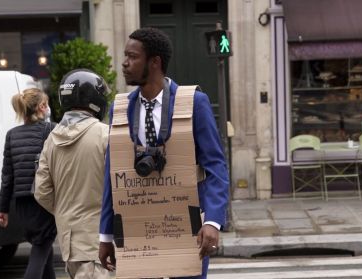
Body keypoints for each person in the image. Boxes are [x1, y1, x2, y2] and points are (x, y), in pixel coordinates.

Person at [99, 27, 229, 279]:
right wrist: (105, 234)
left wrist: (213, 221)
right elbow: (111, 175)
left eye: (132, 56)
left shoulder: (194, 103)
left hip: (186, 223)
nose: (124, 64)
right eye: (125, 56)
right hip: (138, 225)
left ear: (155, 62)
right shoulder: (120, 108)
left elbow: (216, 165)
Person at [34, 69, 111, 279]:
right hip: (100, 245)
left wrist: (66, 210)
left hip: (70, 245)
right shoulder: (105, 134)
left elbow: (42, 192)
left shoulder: (51, 139)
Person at [0, 88, 57, 279]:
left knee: (44, 250)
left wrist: (2, 210)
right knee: (40, 250)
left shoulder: (12, 135)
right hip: (44, 204)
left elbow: (7, 177)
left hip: (21, 207)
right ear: (42, 106)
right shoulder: (50, 130)